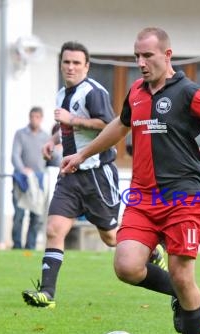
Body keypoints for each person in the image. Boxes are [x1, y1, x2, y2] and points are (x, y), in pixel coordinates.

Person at [60, 28, 200, 334]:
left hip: (184, 198)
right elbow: (120, 125)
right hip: (144, 198)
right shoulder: (137, 92)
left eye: (148, 56)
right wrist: (82, 154)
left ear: (167, 55)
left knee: (181, 272)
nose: (141, 63)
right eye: (136, 57)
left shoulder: (189, 92)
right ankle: (177, 295)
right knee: (126, 266)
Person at [22, 41, 120, 308]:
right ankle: (48, 294)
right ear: (60, 63)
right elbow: (66, 125)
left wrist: (72, 120)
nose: (71, 67)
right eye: (66, 62)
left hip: (97, 174)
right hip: (69, 174)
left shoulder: (93, 92)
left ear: (86, 66)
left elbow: (109, 125)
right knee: (54, 229)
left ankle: (149, 250)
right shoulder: (61, 93)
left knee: (111, 237)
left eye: (77, 63)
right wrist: (53, 140)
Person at [11, 107, 50, 249]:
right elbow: (15, 155)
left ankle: (31, 246)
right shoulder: (20, 134)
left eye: (37, 117)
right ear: (29, 117)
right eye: (32, 116)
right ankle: (16, 245)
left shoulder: (45, 137)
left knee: (36, 216)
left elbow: (51, 158)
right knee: (19, 214)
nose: (35, 119)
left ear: (41, 118)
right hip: (21, 180)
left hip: (38, 182)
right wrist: (23, 170)